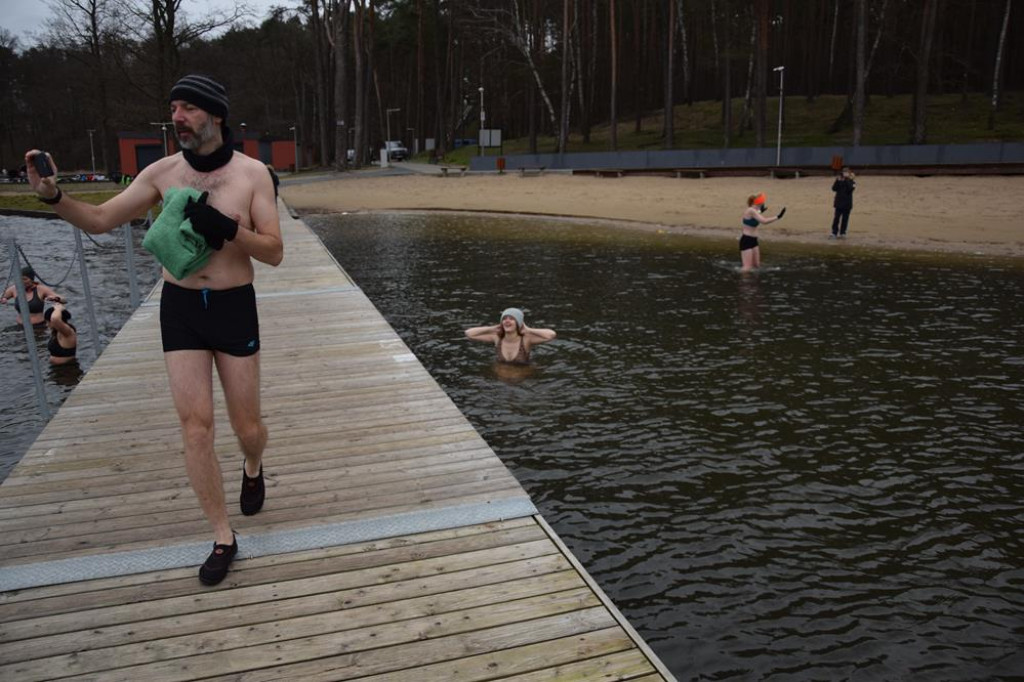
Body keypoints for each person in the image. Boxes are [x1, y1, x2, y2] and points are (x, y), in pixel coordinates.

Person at [25, 73, 283, 585]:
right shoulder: (162, 173)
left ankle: (252, 468)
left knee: (247, 427)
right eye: (174, 109)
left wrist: (229, 229)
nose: (178, 118)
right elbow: (100, 219)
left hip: (234, 306)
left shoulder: (253, 175)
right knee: (195, 426)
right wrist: (53, 196)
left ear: (215, 115)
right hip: (181, 307)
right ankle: (222, 535)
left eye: (188, 108)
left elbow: (274, 251)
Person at [465, 307, 556, 365]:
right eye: (504, 319)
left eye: (512, 319)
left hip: (521, 382)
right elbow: (469, 333)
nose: (507, 321)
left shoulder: (526, 339)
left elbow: (551, 335)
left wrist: (528, 330)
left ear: (519, 323)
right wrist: (491, 328)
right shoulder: (497, 337)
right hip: (499, 381)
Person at [1, 266, 65, 326]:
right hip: (20, 327)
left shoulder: (41, 289)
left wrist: (56, 299)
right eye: (20, 279)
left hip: (39, 326)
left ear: (32, 279)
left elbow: (64, 300)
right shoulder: (14, 288)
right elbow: (1, 296)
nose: (22, 282)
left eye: (25, 279)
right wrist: (3, 299)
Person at [739, 192, 786, 272]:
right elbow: (764, 221)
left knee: (756, 265)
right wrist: (778, 217)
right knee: (747, 268)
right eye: (760, 204)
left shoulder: (755, 211)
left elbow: (756, 215)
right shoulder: (750, 210)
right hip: (746, 240)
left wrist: (761, 211)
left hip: (754, 240)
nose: (761, 205)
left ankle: (754, 283)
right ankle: (744, 283)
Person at [830, 167, 856, 239]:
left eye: (847, 172)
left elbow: (850, 189)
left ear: (849, 173)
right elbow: (833, 189)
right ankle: (834, 232)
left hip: (847, 204)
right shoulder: (839, 180)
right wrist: (837, 181)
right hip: (838, 203)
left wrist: (847, 179)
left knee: (845, 219)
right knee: (836, 218)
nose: (845, 173)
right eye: (844, 172)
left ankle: (843, 232)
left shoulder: (852, 182)